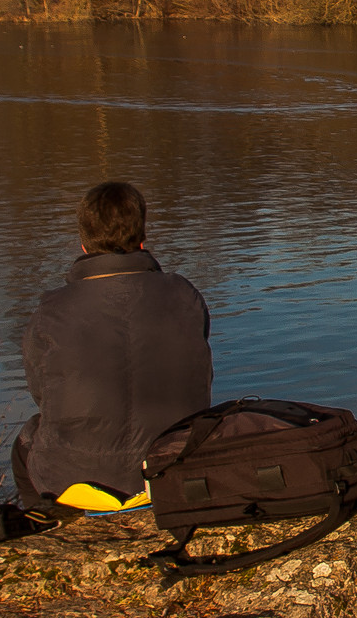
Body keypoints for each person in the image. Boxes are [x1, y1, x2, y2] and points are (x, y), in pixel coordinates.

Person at [12, 180, 212, 509]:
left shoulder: (51, 311)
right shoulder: (184, 295)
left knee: (26, 441)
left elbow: (43, 396)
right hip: (174, 467)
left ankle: (47, 528)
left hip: (73, 478)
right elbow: (200, 376)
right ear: (143, 238)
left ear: (83, 244)